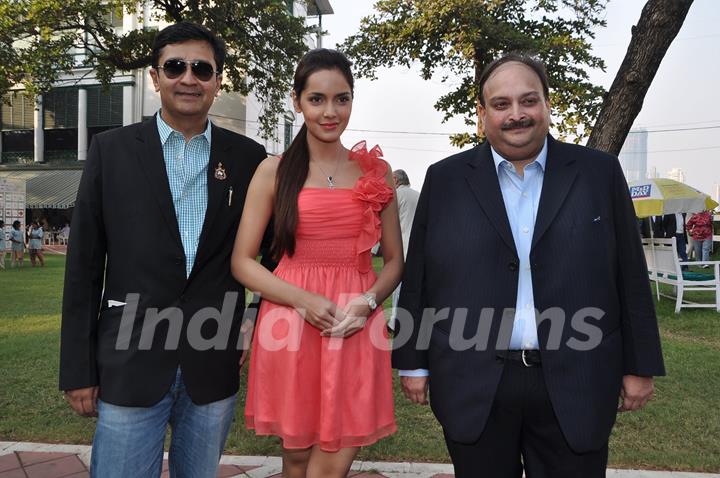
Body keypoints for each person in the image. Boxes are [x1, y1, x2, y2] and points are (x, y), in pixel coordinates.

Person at [392, 53, 665, 477]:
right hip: (474, 379)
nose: (516, 114)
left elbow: (629, 273)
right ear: (482, 114)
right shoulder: (445, 179)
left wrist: (640, 364)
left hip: (578, 379)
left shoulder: (599, 173)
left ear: (547, 104)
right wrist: (413, 360)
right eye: (501, 104)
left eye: (528, 101)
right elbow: (421, 276)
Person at [59, 22, 268, 478]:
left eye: (201, 68)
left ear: (217, 80)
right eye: (175, 67)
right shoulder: (110, 151)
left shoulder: (250, 160)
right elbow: (83, 268)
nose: (188, 78)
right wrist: (77, 369)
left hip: (213, 360)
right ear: (155, 77)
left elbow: (274, 251)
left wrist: (256, 313)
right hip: (130, 360)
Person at [231, 49, 403, 477]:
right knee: (295, 459)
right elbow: (242, 262)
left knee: (331, 464)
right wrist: (303, 300)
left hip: (355, 326)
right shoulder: (274, 171)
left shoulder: (376, 173)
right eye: (317, 99)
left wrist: (367, 301)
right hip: (291, 322)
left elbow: (396, 262)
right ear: (297, 101)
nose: (331, 111)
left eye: (341, 99)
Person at [389, 169, 419, 330]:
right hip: (418, 248)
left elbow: (388, 224)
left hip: (402, 247)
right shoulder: (418, 194)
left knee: (397, 287)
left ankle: (394, 322)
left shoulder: (396, 196)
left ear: (395, 179)